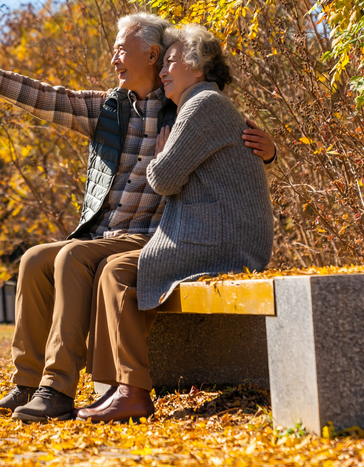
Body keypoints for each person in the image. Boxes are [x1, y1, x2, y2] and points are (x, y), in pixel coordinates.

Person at [0, 13, 275, 423]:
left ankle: (57, 389)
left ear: (153, 54)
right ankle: (27, 384)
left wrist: (269, 151)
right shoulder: (109, 109)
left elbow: (235, 148)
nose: (114, 60)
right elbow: (41, 96)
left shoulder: (183, 105)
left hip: (156, 237)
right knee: (35, 259)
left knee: (73, 257)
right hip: (107, 234)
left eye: (122, 50)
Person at [77, 24, 274, 424]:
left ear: (198, 66)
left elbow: (164, 179)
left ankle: (130, 391)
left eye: (171, 61)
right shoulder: (201, 104)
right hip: (212, 233)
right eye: (162, 61)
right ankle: (119, 387)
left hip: (221, 240)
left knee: (117, 273)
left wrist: (160, 153)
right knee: (114, 270)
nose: (164, 70)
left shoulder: (203, 104)